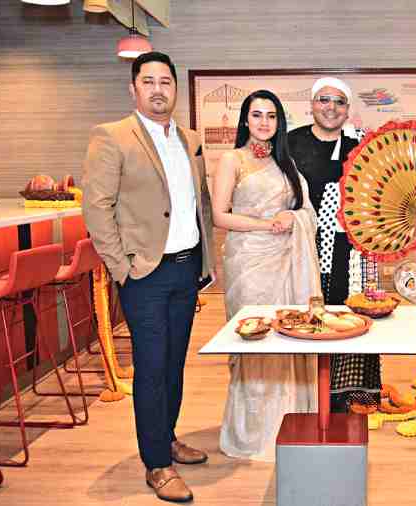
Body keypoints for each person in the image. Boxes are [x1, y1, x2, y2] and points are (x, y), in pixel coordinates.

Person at [82, 51, 214, 503]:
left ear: (175, 89)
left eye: (166, 82)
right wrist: (122, 268)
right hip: (145, 274)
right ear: (134, 89)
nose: (159, 89)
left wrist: (206, 264)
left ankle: (167, 437)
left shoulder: (189, 138)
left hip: (185, 268)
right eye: (149, 81)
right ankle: (156, 464)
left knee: (174, 363)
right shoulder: (112, 137)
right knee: (152, 368)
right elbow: (96, 208)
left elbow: (203, 205)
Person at [214, 89, 321, 461]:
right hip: (249, 262)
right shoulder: (233, 159)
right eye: (257, 115)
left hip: (286, 261)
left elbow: (305, 210)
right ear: (245, 120)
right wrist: (264, 224)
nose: (264, 123)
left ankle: (289, 425)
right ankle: (253, 432)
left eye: (271, 116)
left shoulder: (285, 163)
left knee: (288, 337)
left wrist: (292, 218)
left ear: (279, 122)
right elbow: (219, 215)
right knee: (255, 343)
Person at [288, 77, 381, 413]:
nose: (331, 107)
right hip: (301, 245)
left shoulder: (360, 144)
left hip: (348, 248)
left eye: (339, 102)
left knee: (346, 315)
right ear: (312, 104)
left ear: (347, 110)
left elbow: (374, 191)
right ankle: (305, 392)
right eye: (324, 100)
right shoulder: (290, 143)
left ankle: (345, 393)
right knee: (306, 311)